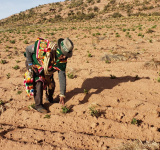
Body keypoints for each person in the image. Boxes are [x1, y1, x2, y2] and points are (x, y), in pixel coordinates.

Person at [24, 37, 74, 113]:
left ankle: (49, 98)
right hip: (35, 64)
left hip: (47, 68)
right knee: (39, 82)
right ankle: (38, 105)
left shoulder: (62, 60)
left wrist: (62, 94)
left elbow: (62, 76)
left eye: (66, 55)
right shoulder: (43, 47)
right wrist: (30, 63)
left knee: (51, 84)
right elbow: (27, 49)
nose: (64, 57)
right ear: (58, 50)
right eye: (63, 54)